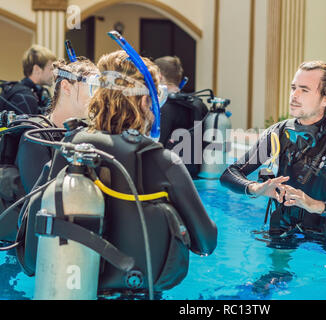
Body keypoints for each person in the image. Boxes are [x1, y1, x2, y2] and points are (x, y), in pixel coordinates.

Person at [18, 50, 217, 298]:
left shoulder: (70, 149)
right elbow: (207, 242)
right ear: (145, 102)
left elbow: (30, 247)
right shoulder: (162, 161)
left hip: (77, 290)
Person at [220, 61, 326, 240]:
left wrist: (315, 205)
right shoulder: (279, 132)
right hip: (286, 229)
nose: (294, 95)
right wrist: (256, 188)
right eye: (293, 88)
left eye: (304, 90)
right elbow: (230, 174)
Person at [0, 57, 98, 242]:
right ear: (67, 88)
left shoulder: (81, 135)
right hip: (30, 249)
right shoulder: (35, 136)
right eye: (93, 86)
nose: (97, 96)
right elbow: (42, 201)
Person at [154, 56, 209, 177]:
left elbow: (155, 147)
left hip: (168, 175)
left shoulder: (162, 107)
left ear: (159, 77)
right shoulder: (199, 105)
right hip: (196, 174)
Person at [0, 45, 56, 115]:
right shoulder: (24, 96)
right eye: (51, 69)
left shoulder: (40, 93)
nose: (54, 73)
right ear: (37, 69)